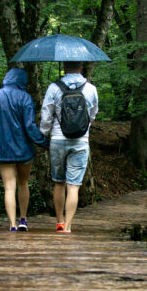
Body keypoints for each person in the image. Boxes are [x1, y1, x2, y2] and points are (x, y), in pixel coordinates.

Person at [0, 67, 49, 231]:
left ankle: (12, 225)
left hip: (3, 150)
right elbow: (29, 126)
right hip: (24, 149)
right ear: (23, 81)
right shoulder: (26, 98)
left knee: (9, 187)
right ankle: (23, 219)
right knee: (23, 183)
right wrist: (44, 143)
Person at [40, 61, 99, 233]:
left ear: (64, 68)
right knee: (73, 186)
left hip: (58, 139)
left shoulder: (54, 87)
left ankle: (59, 222)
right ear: (81, 68)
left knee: (59, 183)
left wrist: (44, 134)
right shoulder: (91, 89)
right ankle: (68, 226)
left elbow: (46, 115)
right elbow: (92, 115)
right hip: (81, 141)